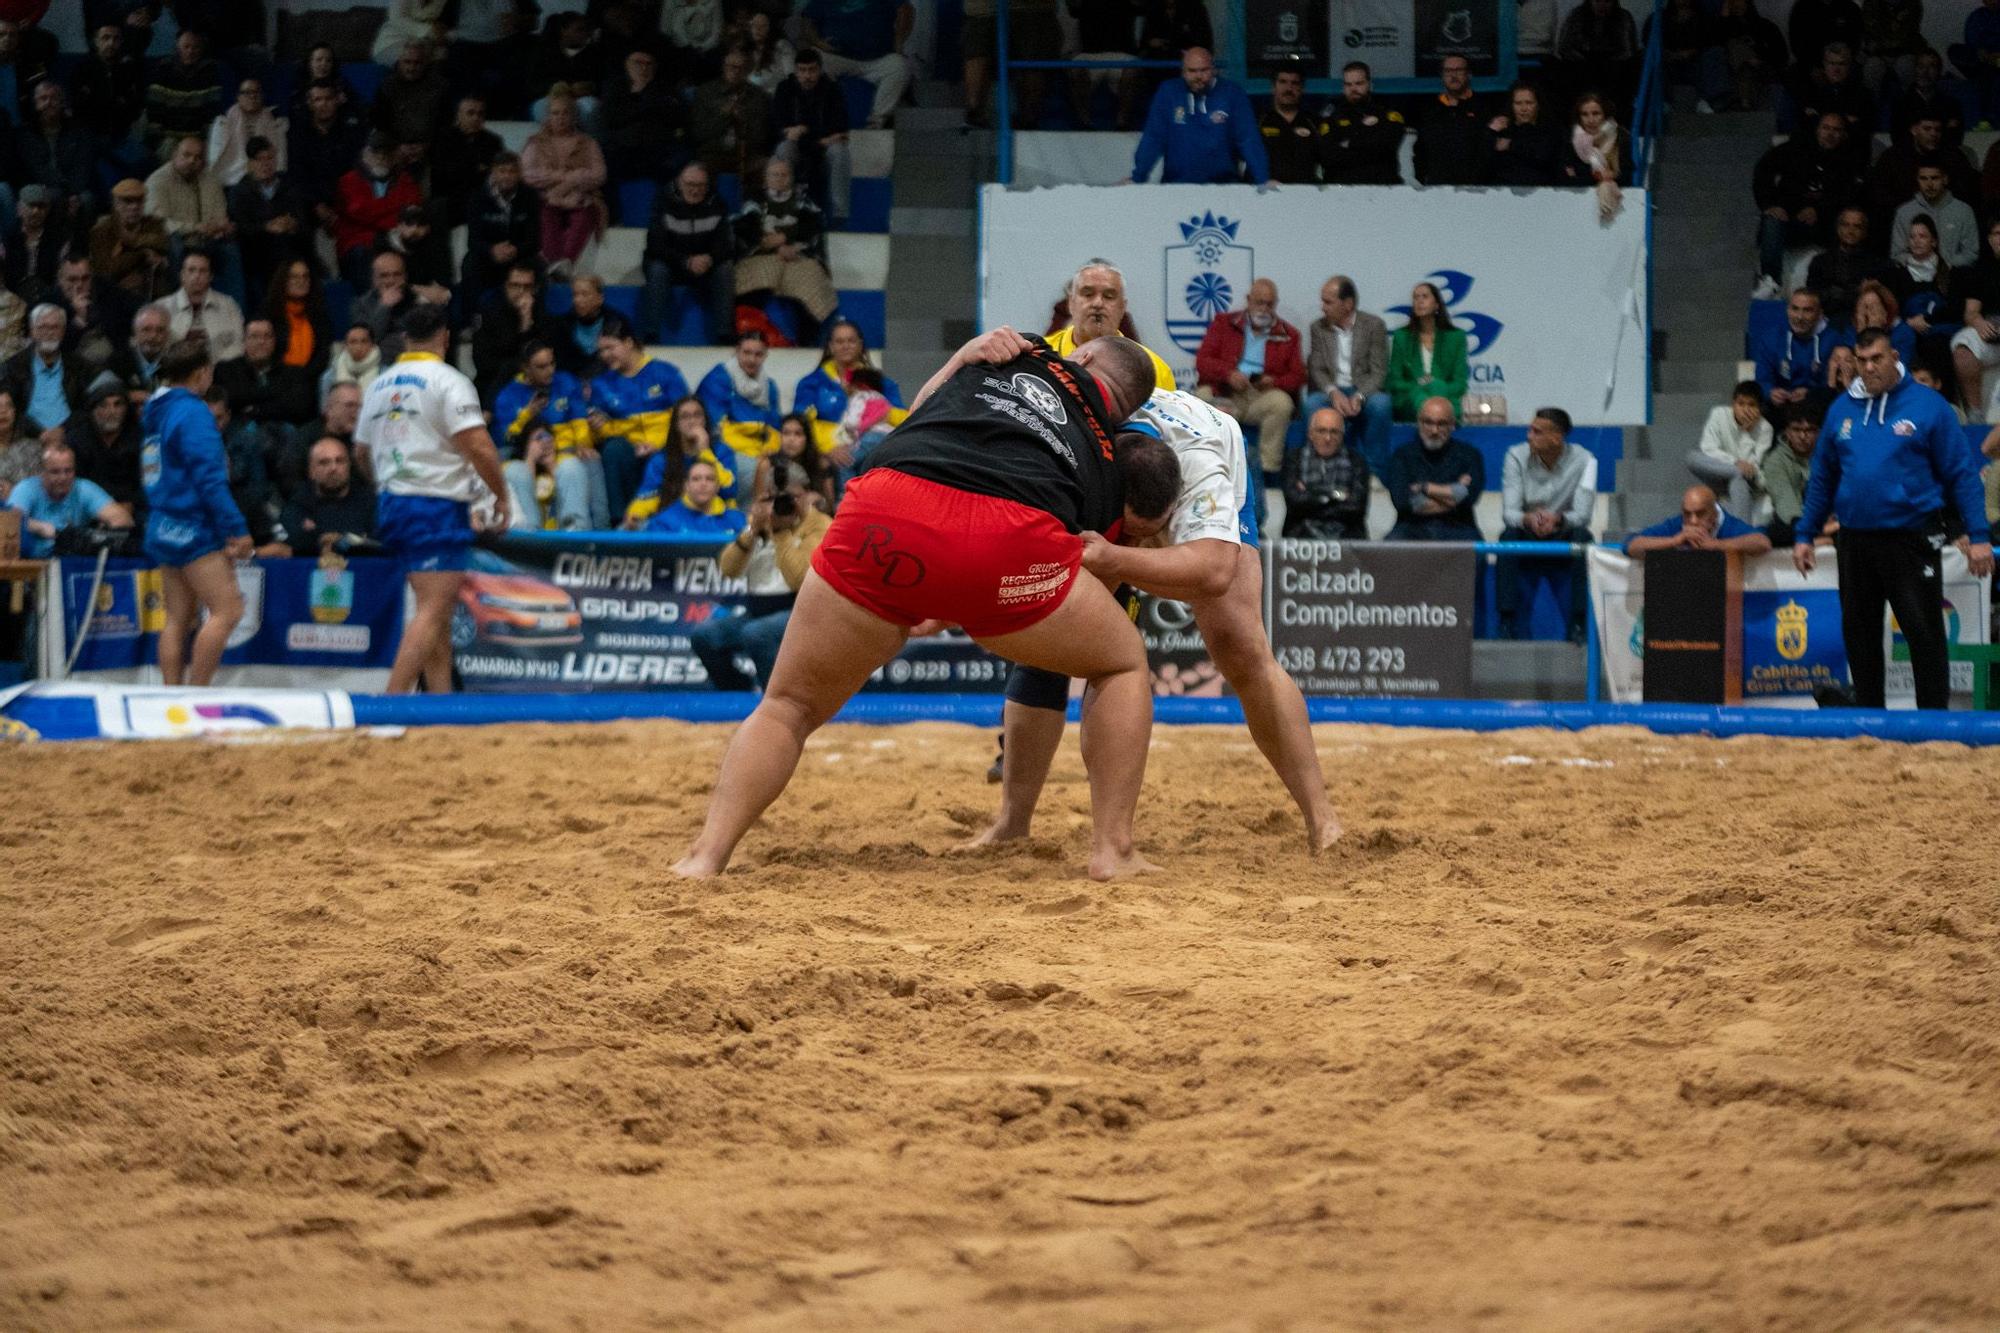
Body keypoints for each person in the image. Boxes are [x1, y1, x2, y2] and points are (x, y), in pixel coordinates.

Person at [672, 327, 1173, 881]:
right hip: (1006, 543)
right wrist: (967, 599)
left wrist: (963, 353)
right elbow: (1084, 566)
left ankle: (706, 855)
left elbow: (913, 421)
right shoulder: (1104, 451)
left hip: (885, 510)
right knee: (1122, 662)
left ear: (1082, 354)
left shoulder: (1002, 354)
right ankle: (1112, 850)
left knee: (787, 705)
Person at [979, 382, 1341, 855]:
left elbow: (1212, 572)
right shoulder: (1067, 446)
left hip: (1210, 447)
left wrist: (1115, 559)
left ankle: (1322, 820)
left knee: (1241, 647)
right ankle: (1012, 822)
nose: (1139, 542)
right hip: (1104, 474)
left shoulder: (1202, 471)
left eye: (1152, 536)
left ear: (1175, 512)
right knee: (1053, 639)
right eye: (1133, 533)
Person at [1796, 328, 1993, 708]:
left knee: (1924, 634)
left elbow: (1962, 475)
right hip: (1855, 540)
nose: (1868, 368)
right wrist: (1805, 532)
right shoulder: (1841, 409)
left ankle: (1933, 722)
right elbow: (1822, 477)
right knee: (1860, 635)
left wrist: (1979, 534)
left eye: (1876, 359)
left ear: (1894, 358)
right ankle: (1870, 721)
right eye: (1862, 360)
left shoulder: (1929, 406)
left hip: (1912, 538)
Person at [355, 302, 509, 694]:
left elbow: (360, 452)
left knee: (434, 613)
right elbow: (479, 446)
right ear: (445, 337)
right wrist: (500, 495)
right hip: (435, 505)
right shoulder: (448, 381)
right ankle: (390, 702)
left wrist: (388, 481)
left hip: (393, 502)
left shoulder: (378, 384)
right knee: (432, 611)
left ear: (405, 338)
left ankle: (440, 703)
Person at [137, 339, 251, 685]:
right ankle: (196, 695)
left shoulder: (154, 412)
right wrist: (237, 528)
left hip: (162, 521)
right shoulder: (193, 412)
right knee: (228, 610)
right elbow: (210, 480)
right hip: (192, 527)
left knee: (177, 618)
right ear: (202, 373)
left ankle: (171, 698)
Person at [696, 456, 830, 690]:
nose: (781, 504)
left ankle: (777, 699)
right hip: (757, 611)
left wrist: (781, 534)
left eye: (791, 497)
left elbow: (800, 578)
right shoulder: (760, 522)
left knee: (756, 634)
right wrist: (752, 531)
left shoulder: (819, 526)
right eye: (773, 497)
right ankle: (739, 692)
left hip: (802, 612)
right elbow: (727, 570)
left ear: (806, 495)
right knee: (705, 636)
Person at [1496, 407, 1595, 641]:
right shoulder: (1515, 456)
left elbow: (1583, 515)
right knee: (1507, 538)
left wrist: (1558, 519)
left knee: (1583, 538)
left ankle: (1579, 624)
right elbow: (1509, 512)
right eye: (1530, 430)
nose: (1529, 436)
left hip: (1562, 530)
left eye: (1536, 431)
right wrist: (1528, 519)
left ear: (1557, 437)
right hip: (1527, 529)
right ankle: (1507, 622)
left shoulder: (1586, 460)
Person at [1193, 277, 1302, 478]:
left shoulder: (1289, 334)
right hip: (1225, 390)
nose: (1264, 308)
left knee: (1282, 403)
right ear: (1248, 300)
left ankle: (1268, 471)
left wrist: (1274, 382)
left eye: (1269, 304)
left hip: (1261, 395)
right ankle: (1208, 464)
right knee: (1202, 395)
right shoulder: (1223, 323)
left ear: (1275, 304)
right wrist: (1228, 374)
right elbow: (1202, 361)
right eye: (1259, 302)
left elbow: (1297, 376)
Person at [1750, 111, 1864, 299]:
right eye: (1826, 128)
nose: (1830, 134)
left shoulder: (1850, 158)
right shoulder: (1796, 148)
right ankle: (1770, 281)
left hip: (1828, 222)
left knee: (1852, 221)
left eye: (1836, 130)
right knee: (1771, 221)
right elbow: (1763, 169)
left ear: (1844, 134)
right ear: (1817, 130)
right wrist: (1769, 204)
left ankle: (1840, 283)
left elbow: (1850, 194)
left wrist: (1819, 210)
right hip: (1790, 218)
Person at [493, 339, 605, 528]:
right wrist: (527, 414)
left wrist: (584, 444)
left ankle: (601, 529)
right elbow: (506, 437)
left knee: (590, 459)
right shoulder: (508, 395)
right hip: (526, 452)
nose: (550, 370)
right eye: (541, 367)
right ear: (525, 368)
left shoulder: (567, 382)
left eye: (552, 363)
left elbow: (579, 420)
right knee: (504, 461)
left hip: (565, 448)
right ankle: (524, 528)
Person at [591, 325, 691, 522]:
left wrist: (659, 444)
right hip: (629, 452)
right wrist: (598, 428)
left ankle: (672, 520)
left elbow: (687, 417)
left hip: (666, 447)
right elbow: (599, 431)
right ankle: (620, 522)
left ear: (628, 343)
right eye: (601, 350)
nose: (605, 355)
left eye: (610, 348)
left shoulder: (665, 373)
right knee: (614, 450)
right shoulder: (601, 384)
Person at [1128, 46, 1267, 185]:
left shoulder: (1233, 94)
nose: (1198, 76)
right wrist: (1137, 177)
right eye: (1192, 71)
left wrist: (1262, 179)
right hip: (1176, 187)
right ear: (1183, 71)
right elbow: (1153, 138)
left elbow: (1248, 139)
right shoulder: (1168, 92)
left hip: (1224, 187)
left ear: (1213, 69)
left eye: (1204, 70)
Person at [733, 156, 838, 332]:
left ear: (792, 178)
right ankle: (748, 334)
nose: (780, 178)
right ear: (765, 179)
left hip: (798, 257)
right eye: (775, 175)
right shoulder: (754, 201)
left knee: (809, 284)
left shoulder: (805, 202)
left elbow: (813, 230)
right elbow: (744, 229)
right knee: (755, 279)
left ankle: (806, 343)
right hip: (762, 256)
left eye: (784, 175)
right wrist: (770, 244)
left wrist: (788, 243)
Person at [1044, 260, 1176, 392]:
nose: (1098, 303)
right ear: (1071, 303)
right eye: (1088, 294)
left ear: (1122, 307)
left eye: (1109, 296)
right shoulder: (1041, 355)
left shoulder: (1155, 369)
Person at [643, 161, 734, 347]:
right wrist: (686, 261)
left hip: (705, 265)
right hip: (674, 264)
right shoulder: (663, 202)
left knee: (725, 269)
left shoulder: (718, 204)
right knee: (657, 269)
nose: (695, 190)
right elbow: (656, 245)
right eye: (690, 185)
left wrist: (709, 258)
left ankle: (724, 336)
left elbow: (726, 245)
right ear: (679, 182)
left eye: (700, 186)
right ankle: (651, 335)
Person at [145, 135, 243, 307]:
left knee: (231, 250)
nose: (192, 161)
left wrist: (221, 227)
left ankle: (236, 311)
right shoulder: (157, 181)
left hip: (209, 240)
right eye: (186, 155)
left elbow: (220, 213)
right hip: (180, 242)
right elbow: (158, 223)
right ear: (175, 154)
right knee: (175, 245)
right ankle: (179, 309)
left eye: (198, 157)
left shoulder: (210, 180)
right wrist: (196, 228)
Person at [520, 91, 606, 280]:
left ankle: (563, 267)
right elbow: (526, 173)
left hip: (580, 198)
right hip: (546, 198)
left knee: (585, 216)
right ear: (548, 116)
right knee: (544, 215)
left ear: (573, 116)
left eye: (565, 113)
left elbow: (599, 174)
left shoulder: (587, 142)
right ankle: (554, 266)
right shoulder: (536, 142)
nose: (560, 118)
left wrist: (571, 183)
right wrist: (563, 179)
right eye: (555, 113)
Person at [796, 0, 913, 130]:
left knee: (899, 65)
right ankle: (817, 119)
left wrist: (898, 42)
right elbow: (807, 22)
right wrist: (818, 42)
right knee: (812, 61)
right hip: (837, 56)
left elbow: (906, 10)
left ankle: (877, 121)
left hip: (878, 58)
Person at [6, 440, 132, 558]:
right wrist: (39, 527)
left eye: (68, 471)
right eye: (55, 472)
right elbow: (8, 522)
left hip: (71, 562)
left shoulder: (84, 488)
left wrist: (99, 535)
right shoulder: (26, 488)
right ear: (42, 472)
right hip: (31, 565)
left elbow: (124, 520)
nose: (63, 478)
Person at [1384, 397, 1484, 541]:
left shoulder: (1469, 455)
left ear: (1452, 425)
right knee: (1391, 545)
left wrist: (1425, 488)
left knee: (1477, 553)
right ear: (1419, 422)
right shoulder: (1402, 455)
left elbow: (1468, 500)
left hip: (1458, 527)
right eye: (1428, 422)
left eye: (1442, 424)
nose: (1434, 430)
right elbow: (1402, 503)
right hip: (1411, 528)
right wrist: (1454, 494)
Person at [227, 136, 310, 305]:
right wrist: (267, 227)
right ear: (250, 164)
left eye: (270, 158)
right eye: (259, 160)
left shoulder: (290, 187)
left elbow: (303, 220)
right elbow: (240, 226)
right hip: (256, 252)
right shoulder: (240, 192)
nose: (266, 164)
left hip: (289, 248)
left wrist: (292, 224)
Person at [332, 132, 423, 287]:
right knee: (363, 255)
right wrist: (394, 211)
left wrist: (378, 214)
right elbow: (359, 211)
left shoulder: (406, 181)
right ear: (365, 154)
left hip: (397, 240)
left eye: (386, 153)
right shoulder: (348, 181)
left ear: (394, 156)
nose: (381, 158)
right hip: (359, 245)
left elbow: (410, 213)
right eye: (376, 152)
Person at [773, 47, 852, 223]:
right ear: (795, 71)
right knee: (784, 148)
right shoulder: (784, 89)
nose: (807, 75)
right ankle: (782, 208)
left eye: (812, 70)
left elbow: (839, 128)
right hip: (800, 151)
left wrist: (804, 131)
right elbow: (778, 126)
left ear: (820, 70)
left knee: (839, 151)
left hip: (823, 155)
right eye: (802, 70)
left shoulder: (832, 89)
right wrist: (821, 139)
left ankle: (840, 215)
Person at [461, 152, 540, 314]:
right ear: (493, 173)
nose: (507, 176)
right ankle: (473, 319)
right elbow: (473, 240)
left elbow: (535, 240)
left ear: (519, 174)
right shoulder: (477, 198)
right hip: (487, 256)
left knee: (538, 268)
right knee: (470, 264)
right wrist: (492, 250)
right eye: (502, 171)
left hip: (519, 255)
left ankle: (534, 317)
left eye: (512, 171)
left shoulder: (530, 197)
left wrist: (516, 249)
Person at [1867, 114, 1976, 226]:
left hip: (1948, 220)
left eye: (1937, 130)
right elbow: (1880, 195)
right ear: (1914, 130)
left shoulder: (1954, 157)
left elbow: (1967, 191)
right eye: (1927, 129)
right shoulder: (1893, 158)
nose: (1933, 134)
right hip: (1901, 221)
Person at [1385, 281, 1469, 423]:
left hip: (1445, 396)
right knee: (1421, 395)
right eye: (1416, 298)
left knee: (1437, 387)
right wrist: (1420, 385)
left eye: (1425, 297)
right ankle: (1438, 421)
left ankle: (1434, 419)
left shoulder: (1456, 337)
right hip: (1410, 400)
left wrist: (1436, 386)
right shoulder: (1401, 337)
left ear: (1437, 305)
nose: (1420, 301)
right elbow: (1394, 381)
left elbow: (1460, 383)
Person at [1690, 379, 1775, 519]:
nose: (1745, 410)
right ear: (1733, 404)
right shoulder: (1719, 414)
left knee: (1739, 478)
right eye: (1740, 404)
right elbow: (1708, 448)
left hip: (1744, 483)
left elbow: (1751, 468)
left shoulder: (1765, 428)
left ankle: (1741, 533)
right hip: (1718, 472)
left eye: (1751, 405)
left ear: (1759, 408)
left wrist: (1747, 433)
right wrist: (1735, 463)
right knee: (1692, 457)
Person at [279, 435, 375, 556]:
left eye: (340, 461)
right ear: (311, 471)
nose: (333, 468)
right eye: (324, 463)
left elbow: (378, 542)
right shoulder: (298, 502)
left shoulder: (369, 502)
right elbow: (292, 539)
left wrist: (338, 541)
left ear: (349, 467)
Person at [1752, 287, 1844, 414]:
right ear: (1787, 310)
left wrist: (1811, 394)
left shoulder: (1833, 341)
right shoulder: (1771, 338)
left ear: (1820, 314)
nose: (1799, 317)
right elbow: (1762, 379)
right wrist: (1770, 392)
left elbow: (1834, 386)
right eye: (1795, 309)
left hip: (1819, 408)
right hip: (1781, 409)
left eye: (1807, 310)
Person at [1281, 406, 1369, 539]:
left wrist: (1311, 493)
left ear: (1342, 436)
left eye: (1334, 432)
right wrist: (1336, 495)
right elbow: (1295, 504)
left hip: (1348, 534)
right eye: (1321, 431)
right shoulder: (1294, 459)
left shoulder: (1357, 461)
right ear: (1310, 434)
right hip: (1300, 532)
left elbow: (1356, 508)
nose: (1328, 438)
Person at [688, 44, 773, 179]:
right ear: (723, 66)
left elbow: (761, 136)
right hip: (713, 155)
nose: (735, 71)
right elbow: (699, 133)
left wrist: (743, 119)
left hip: (747, 156)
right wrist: (724, 115)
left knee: (772, 166)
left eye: (740, 68)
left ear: (747, 70)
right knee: (695, 169)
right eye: (731, 66)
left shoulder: (758, 96)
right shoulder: (706, 92)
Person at [698, 328, 784, 459]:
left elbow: (775, 427)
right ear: (736, 351)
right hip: (726, 451)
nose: (752, 359)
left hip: (762, 453)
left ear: (766, 355)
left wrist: (769, 449)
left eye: (758, 354)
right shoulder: (718, 379)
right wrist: (752, 454)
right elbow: (714, 428)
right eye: (746, 353)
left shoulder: (769, 386)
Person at [1623, 483, 1774, 556]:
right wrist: (1674, 541)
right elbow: (1631, 545)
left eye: (1700, 514)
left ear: (1714, 512)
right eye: (1687, 514)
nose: (1693, 521)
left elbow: (1762, 542)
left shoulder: (1728, 524)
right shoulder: (1677, 524)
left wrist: (1716, 545)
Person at [1320, 61, 1406, 186]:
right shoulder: (1332, 116)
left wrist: (1348, 143)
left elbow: (1385, 148)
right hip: (1341, 192)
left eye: (1359, 83)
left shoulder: (1386, 113)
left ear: (1369, 84)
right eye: (1348, 84)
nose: (1353, 89)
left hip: (1383, 189)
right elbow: (1329, 156)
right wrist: (1367, 139)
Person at [4, 303, 88, 431]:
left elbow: (84, 408)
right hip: (27, 436)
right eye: (42, 327)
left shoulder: (78, 366)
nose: (49, 333)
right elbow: (11, 409)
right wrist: (39, 433)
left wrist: (62, 430)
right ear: (32, 331)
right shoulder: (14, 366)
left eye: (55, 327)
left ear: (63, 331)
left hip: (70, 435)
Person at [1805, 206, 1895, 323]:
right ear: (1838, 229)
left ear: (1864, 232)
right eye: (1846, 225)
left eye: (1857, 226)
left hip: (1862, 322)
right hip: (1826, 320)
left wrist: (1838, 293)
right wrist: (1855, 292)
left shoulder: (1876, 264)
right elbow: (1813, 297)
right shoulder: (1820, 262)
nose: (1851, 231)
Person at [1760, 405, 1832, 546]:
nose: (1803, 436)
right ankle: (1820, 537)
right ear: (1787, 431)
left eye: (1810, 430)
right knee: (1776, 533)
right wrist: (1810, 528)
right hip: (1795, 521)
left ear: (1819, 432)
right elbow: (1785, 502)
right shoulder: (1776, 460)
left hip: (1831, 519)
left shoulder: (1830, 455)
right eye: (1796, 429)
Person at [89, 179, 171, 303]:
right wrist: (141, 254)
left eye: (139, 201)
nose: (134, 207)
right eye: (127, 201)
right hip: (114, 294)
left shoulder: (153, 224)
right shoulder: (102, 230)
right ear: (116, 204)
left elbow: (162, 242)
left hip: (151, 290)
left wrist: (132, 242)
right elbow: (106, 271)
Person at [1950, 217, 2000, 418]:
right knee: (1963, 350)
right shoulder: (1980, 272)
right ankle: (1975, 414)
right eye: (1997, 234)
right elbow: (1971, 313)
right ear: (1989, 239)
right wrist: (1979, 323)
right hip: (1991, 332)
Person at [430, 95, 504, 227]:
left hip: (482, 197)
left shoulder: (493, 141)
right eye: (470, 113)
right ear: (459, 115)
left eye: (480, 114)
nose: (476, 118)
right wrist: (476, 168)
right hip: (451, 198)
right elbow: (441, 175)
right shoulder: (443, 139)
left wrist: (465, 169)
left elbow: (496, 173)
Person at [1414, 54, 1489, 186]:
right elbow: (1421, 150)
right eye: (1448, 71)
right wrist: (1422, 177)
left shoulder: (1484, 108)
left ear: (1468, 74)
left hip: (1477, 189)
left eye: (1459, 70)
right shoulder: (1430, 110)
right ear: (1442, 76)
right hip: (1438, 188)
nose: (1453, 75)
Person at [1891, 164, 1978, 267]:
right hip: (1913, 276)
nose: (1929, 184)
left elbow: (1971, 253)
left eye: (1934, 178)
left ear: (1945, 179)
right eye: (1923, 178)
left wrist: (1943, 265)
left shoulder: (1963, 211)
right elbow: (1897, 254)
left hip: (1954, 277)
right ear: (1917, 180)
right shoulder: (1904, 212)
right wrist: (1921, 264)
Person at [206, 77, 285, 188]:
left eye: (256, 92)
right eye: (247, 93)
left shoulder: (275, 123)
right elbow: (213, 159)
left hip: (265, 182)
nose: (252, 96)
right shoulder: (223, 122)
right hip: (230, 181)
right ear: (238, 97)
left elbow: (280, 159)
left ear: (262, 96)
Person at [753, 411, 836, 511]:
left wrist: (817, 500)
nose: (791, 439)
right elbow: (758, 505)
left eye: (798, 434)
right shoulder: (767, 465)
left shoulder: (821, 464)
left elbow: (830, 507)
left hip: (812, 519)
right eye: (786, 433)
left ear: (807, 439)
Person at [1488, 82, 1567, 186]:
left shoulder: (1550, 130)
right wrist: (1490, 132)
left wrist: (1510, 145)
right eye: (1518, 103)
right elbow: (1485, 163)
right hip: (1506, 194)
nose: (1523, 109)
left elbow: (1545, 156)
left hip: (1541, 193)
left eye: (1529, 103)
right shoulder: (1502, 130)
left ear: (1538, 105)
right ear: (1512, 105)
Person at [1258, 61, 1319, 185]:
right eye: (1283, 82)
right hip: (1268, 196)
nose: (1288, 88)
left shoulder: (1314, 122)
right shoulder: (1258, 122)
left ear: (1302, 88)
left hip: (1308, 196)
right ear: (1273, 87)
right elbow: (1247, 163)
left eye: (1294, 83)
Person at [107, 302, 172, 400]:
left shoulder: (176, 363)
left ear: (167, 335)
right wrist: (127, 395)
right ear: (135, 333)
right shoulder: (116, 363)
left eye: (160, 330)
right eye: (146, 330)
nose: (153, 336)